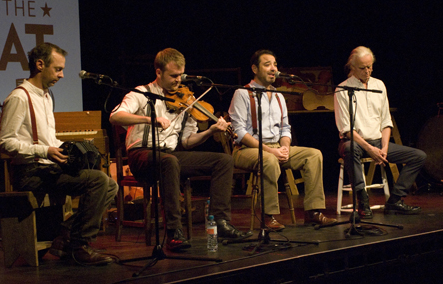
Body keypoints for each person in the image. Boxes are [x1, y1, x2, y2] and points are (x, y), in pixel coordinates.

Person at [109, 48, 251, 251]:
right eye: (173, 76)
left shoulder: (186, 101)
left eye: (181, 75)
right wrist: (150, 120)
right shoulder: (140, 94)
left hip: (171, 155)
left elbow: (187, 142)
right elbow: (115, 116)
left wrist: (210, 131)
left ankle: (221, 223)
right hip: (142, 155)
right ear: (158, 72)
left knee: (224, 160)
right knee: (170, 161)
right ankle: (174, 232)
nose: (178, 81)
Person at [0, 42, 118, 266]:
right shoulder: (19, 98)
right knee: (99, 181)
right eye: (58, 69)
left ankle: (66, 233)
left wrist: (71, 148)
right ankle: (80, 246)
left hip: (47, 168)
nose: (62, 75)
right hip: (30, 171)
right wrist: (44, 150)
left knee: (110, 184)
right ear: (40, 65)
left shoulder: (45, 96)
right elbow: (5, 143)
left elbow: (48, 138)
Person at [228, 50, 337, 230]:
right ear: (254, 69)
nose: (273, 69)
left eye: (275, 64)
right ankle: (268, 216)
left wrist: (285, 148)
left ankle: (313, 212)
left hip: (276, 147)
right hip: (246, 150)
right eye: (267, 64)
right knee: (269, 160)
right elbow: (239, 132)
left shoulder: (278, 96)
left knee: (313, 155)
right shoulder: (243, 93)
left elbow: (285, 127)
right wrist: (270, 151)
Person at [334, 46, 425, 218]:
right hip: (355, 142)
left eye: (370, 66)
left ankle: (395, 200)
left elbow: (385, 121)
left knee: (418, 156)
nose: (367, 71)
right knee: (349, 149)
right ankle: (362, 200)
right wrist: (369, 149)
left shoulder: (379, 85)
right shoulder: (342, 89)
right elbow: (346, 129)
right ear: (352, 67)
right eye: (362, 68)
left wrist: (383, 148)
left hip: (377, 141)